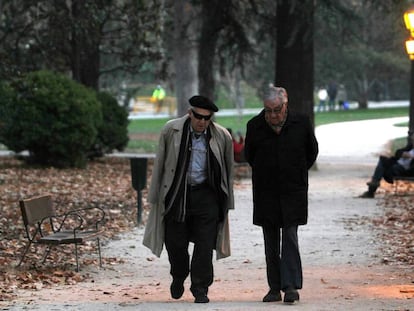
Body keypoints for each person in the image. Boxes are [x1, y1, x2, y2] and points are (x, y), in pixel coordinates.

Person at [142, 95, 234, 304]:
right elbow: (161, 163)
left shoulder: (221, 136)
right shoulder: (171, 130)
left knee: (204, 244)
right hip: (177, 193)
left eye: (207, 118)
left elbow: (228, 171)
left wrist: (227, 201)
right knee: (175, 243)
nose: (202, 122)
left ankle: (200, 287)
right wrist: (155, 196)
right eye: (198, 117)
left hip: (207, 194)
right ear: (190, 113)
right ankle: (178, 275)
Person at [244, 85, 318, 304]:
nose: (273, 115)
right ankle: (274, 287)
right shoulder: (255, 126)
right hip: (266, 191)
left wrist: (295, 171)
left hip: (292, 190)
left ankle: (291, 286)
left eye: (277, 110)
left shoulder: (301, 123)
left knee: (290, 238)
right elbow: (250, 155)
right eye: (268, 111)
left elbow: (311, 152)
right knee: (270, 242)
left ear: (285, 106)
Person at [359, 134, 414, 198]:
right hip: (396, 166)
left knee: (383, 166)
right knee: (383, 159)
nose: (412, 142)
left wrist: (412, 157)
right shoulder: (410, 147)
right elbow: (398, 152)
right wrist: (402, 154)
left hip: (404, 170)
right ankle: (374, 184)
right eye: (412, 140)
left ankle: (372, 188)